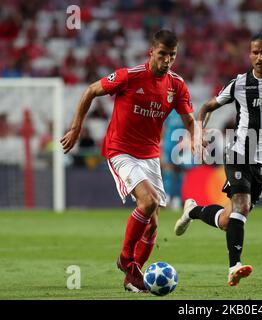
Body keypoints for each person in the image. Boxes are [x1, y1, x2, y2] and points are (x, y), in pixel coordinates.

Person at [60, 30, 198, 292]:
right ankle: (126, 260)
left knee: (154, 221)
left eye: (172, 55)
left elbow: (189, 119)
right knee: (149, 202)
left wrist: (195, 137)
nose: (167, 60)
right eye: (162, 54)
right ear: (151, 52)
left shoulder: (176, 85)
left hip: (150, 155)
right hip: (120, 150)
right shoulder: (129, 76)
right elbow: (90, 91)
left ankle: (132, 277)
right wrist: (76, 128)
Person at [174, 33, 262, 286]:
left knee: (230, 220)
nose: (259, 57)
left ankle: (193, 210)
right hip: (239, 153)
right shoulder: (239, 84)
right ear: (250, 55)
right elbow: (206, 108)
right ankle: (234, 266)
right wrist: (199, 131)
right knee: (240, 207)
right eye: (255, 53)